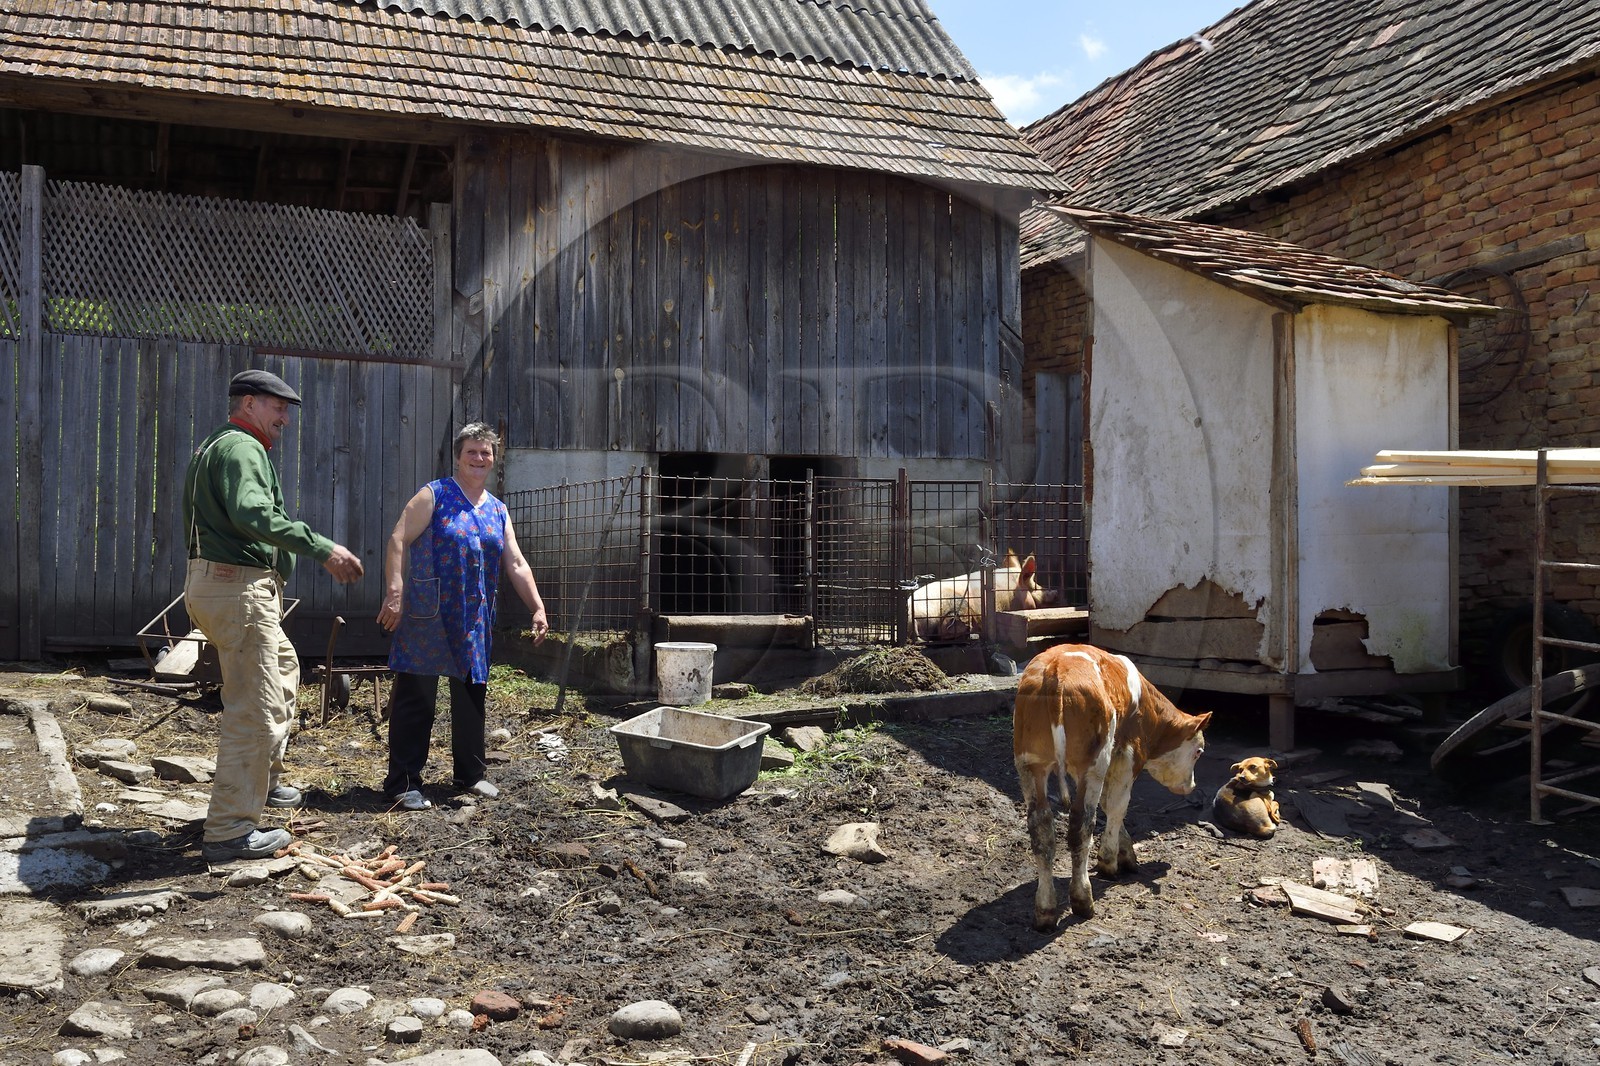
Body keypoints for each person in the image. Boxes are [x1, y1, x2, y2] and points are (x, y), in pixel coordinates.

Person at [183, 369, 365, 863]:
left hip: (224, 586)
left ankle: (264, 784)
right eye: (276, 406)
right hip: (236, 589)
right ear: (247, 404)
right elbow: (251, 512)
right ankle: (229, 831)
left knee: (283, 673)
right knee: (255, 709)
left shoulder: (218, 445)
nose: (285, 416)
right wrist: (322, 548)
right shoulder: (242, 447)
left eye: (287, 408)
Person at [376, 422, 549, 810]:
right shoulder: (434, 495)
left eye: (486, 452)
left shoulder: (497, 510)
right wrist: (395, 590)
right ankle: (403, 782)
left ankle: (470, 774)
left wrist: (536, 605)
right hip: (427, 611)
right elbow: (398, 538)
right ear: (458, 456)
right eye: (472, 451)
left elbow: (516, 563)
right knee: (417, 696)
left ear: (494, 458)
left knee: (472, 692)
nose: (479, 458)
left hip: (473, 615)